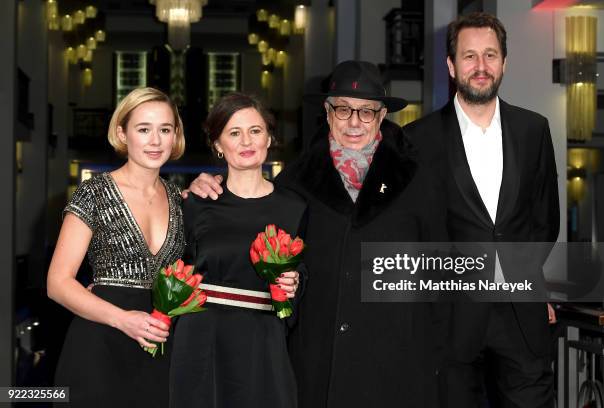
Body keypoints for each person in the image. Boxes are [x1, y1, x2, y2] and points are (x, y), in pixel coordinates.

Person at [186, 61, 448, 407]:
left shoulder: (418, 179)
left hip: (396, 363)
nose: (354, 122)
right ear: (327, 112)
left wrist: (440, 359)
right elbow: (248, 251)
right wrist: (207, 188)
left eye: (366, 112)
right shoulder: (294, 183)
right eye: (343, 109)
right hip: (316, 366)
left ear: (382, 115)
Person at [405, 12, 560, 407]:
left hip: (521, 317)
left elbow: (545, 220)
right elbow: (411, 231)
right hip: (449, 323)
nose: (480, 66)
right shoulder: (416, 140)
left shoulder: (534, 130)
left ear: (504, 63)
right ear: (451, 65)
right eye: (469, 56)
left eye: (490, 55)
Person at [47, 87, 186, 407]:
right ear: (122, 133)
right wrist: (124, 319)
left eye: (165, 129)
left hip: (159, 350)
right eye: (143, 129)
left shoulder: (180, 200)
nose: (155, 140)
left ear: (175, 135)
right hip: (99, 346)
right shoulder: (93, 193)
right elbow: (57, 283)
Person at [169, 92, 304, 408]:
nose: (247, 141)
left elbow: (307, 275)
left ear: (269, 138)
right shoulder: (195, 203)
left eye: (255, 131)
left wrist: (295, 281)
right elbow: (170, 270)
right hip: (201, 339)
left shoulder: (295, 207)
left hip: (264, 341)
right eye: (234, 132)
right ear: (218, 144)